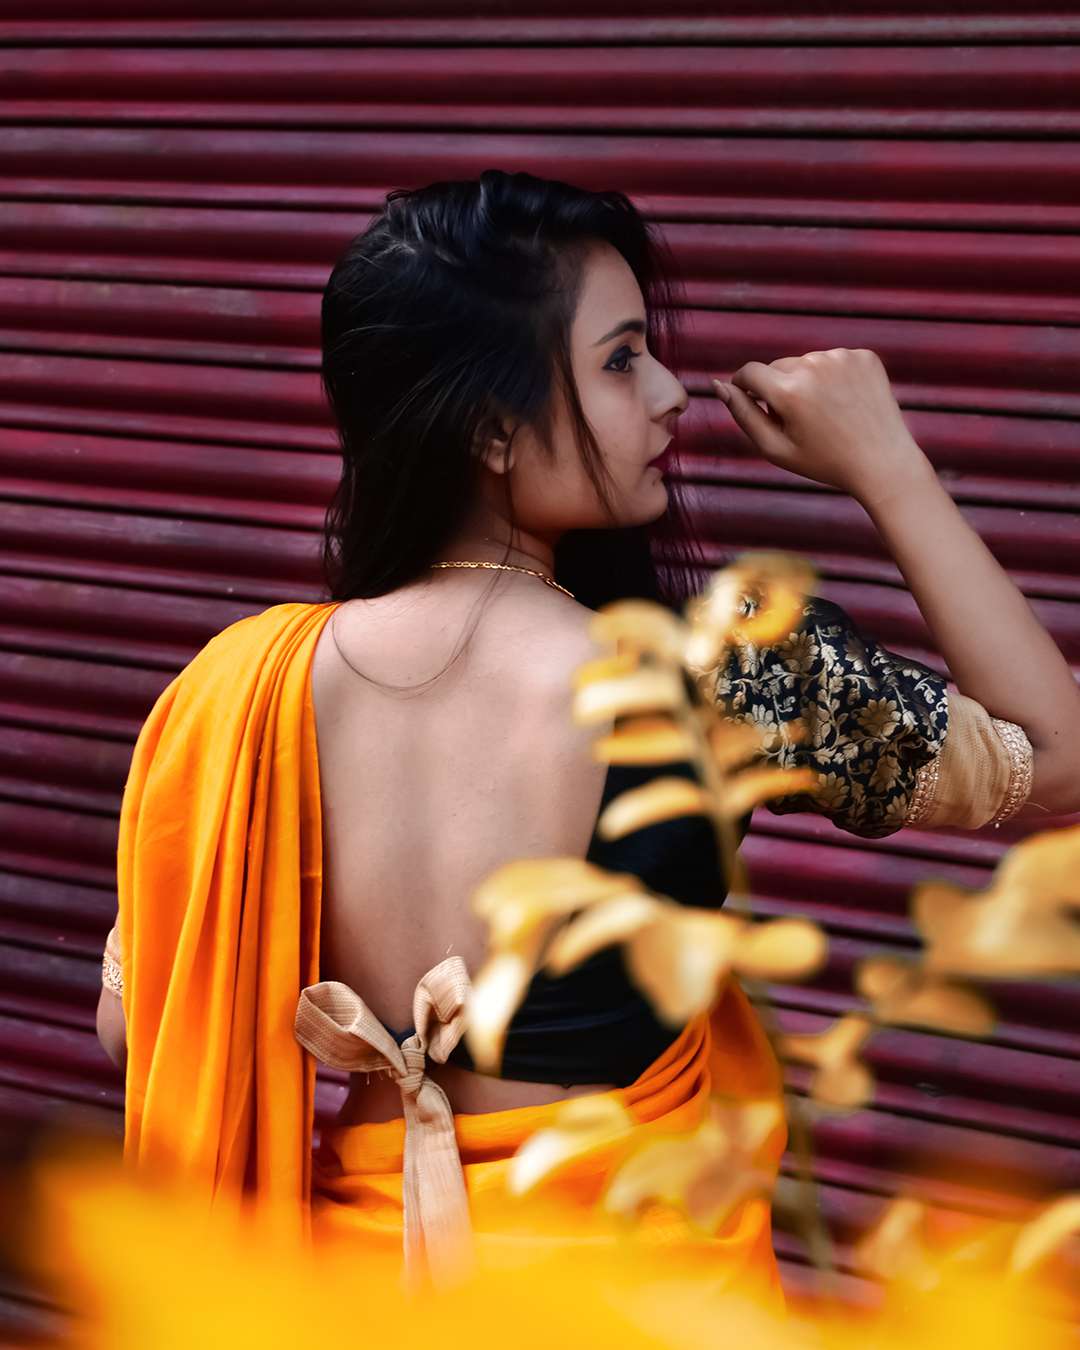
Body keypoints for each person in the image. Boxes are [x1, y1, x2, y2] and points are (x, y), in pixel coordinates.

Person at [95, 169, 1079, 1296]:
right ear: (491, 429)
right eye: (620, 360)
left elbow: (134, 1031)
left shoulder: (240, 691)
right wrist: (887, 465)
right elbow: (1053, 760)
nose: (671, 392)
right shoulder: (721, 668)